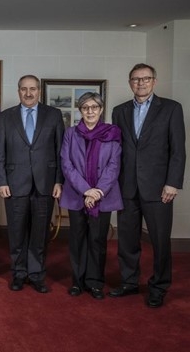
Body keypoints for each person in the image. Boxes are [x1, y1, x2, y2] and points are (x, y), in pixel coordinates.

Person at [109, 63, 186, 308]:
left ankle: (159, 286)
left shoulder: (172, 109)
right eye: (135, 79)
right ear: (129, 82)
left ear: (154, 81)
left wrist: (172, 183)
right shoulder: (119, 111)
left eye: (145, 79)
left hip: (158, 188)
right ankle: (129, 282)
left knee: (160, 241)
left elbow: (178, 150)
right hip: (127, 187)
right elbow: (116, 150)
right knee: (127, 240)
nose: (140, 83)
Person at [0, 74, 64, 293]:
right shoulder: (6, 117)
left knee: (40, 233)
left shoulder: (53, 115)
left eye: (32, 89)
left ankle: (36, 274)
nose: (28, 93)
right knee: (16, 232)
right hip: (14, 184)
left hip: (45, 183)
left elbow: (61, 151)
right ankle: (19, 273)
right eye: (24, 89)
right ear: (18, 91)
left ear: (39, 91)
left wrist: (58, 181)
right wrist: (1, 181)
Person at [60, 92, 122, 300]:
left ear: (101, 109)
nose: (90, 111)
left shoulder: (112, 133)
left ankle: (95, 282)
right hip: (77, 195)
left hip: (104, 196)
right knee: (77, 240)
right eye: (85, 107)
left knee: (97, 240)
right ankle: (77, 281)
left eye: (94, 107)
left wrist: (97, 192)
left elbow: (114, 166)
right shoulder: (71, 133)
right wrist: (86, 190)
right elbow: (66, 165)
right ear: (80, 110)